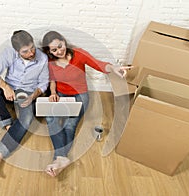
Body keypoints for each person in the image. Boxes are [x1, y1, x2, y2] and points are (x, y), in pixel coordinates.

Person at [41, 31, 130, 177]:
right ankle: (62, 160)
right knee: (51, 119)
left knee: (70, 125)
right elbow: (52, 80)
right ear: (49, 51)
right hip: (61, 94)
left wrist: (113, 68)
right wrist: (53, 93)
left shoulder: (79, 54)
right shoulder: (51, 62)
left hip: (79, 95)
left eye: (60, 46)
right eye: (54, 50)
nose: (59, 51)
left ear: (64, 41)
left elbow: (98, 64)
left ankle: (58, 160)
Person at [0, 30, 49, 176]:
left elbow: (44, 83)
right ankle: (8, 125)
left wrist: (33, 96)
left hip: (27, 92)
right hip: (10, 87)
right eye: (25, 51)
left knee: (27, 119)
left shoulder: (42, 58)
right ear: (16, 51)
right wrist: (5, 87)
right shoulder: (9, 53)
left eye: (32, 48)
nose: (31, 53)